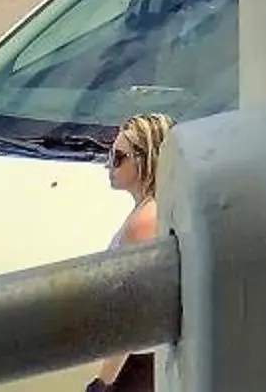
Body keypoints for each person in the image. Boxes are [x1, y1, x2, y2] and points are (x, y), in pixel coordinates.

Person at [92, 114, 170, 392]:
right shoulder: (154, 209)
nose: (108, 165)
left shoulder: (144, 222)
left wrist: (104, 383)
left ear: (144, 158)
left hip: (136, 365)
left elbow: (130, 315)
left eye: (118, 157)